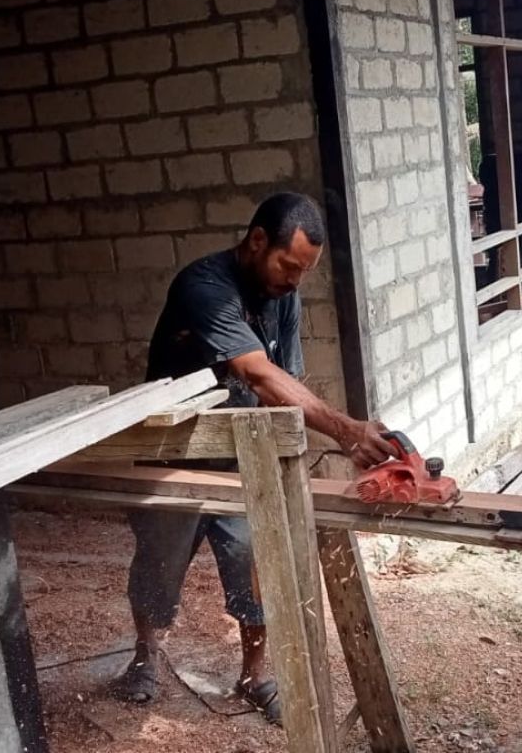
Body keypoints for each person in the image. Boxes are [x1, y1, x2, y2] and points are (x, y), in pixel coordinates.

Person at [111, 192, 395, 723]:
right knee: (158, 562)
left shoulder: (284, 295)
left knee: (254, 564)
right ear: (257, 240)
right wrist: (346, 427)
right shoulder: (204, 286)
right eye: (289, 266)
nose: (294, 281)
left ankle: (254, 677)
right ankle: (146, 658)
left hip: (243, 455)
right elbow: (256, 372)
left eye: (304, 272)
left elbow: (283, 383)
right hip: (175, 453)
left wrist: (325, 445)